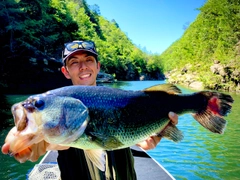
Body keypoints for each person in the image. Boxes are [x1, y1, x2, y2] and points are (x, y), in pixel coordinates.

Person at [2, 40, 178, 179]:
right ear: (65, 71)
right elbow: (34, 141)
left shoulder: (119, 98)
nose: (83, 66)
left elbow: (142, 137)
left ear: (98, 67)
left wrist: (155, 133)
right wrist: (23, 141)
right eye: (74, 62)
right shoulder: (57, 121)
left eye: (88, 60)